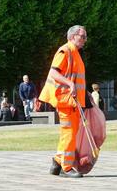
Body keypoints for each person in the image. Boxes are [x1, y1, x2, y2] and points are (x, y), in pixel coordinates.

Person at [39, 25, 87, 178]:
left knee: (70, 133)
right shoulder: (65, 50)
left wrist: (85, 94)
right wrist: (70, 84)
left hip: (72, 101)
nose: (85, 40)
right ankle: (66, 168)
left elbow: (76, 79)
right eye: (83, 36)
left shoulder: (75, 53)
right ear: (73, 36)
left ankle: (57, 162)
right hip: (66, 100)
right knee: (69, 132)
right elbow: (53, 72)